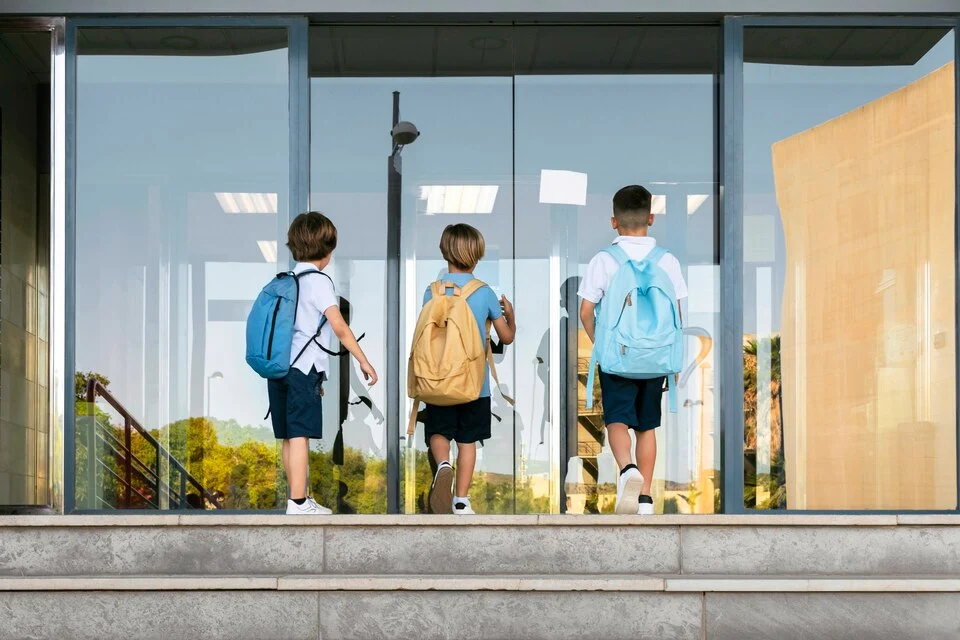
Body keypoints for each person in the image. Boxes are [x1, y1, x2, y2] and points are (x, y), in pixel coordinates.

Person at [578, 186, 688, 515]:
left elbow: (586, 310)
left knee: (617, 420)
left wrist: (602, 341)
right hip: (656, 358)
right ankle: (646, 498)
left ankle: (628, 470)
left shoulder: (604, 260)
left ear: (614, 222)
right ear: (651, 219)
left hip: (618, 358)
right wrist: (673, 358)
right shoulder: (667, 260)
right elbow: (679, 315)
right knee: (646, 426)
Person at [268, 211, 378, 515]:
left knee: (289, 436)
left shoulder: (287, 281)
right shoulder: (318, 282)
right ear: (327, 250)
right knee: (301, 433)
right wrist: (364, 361)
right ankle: (299, 502)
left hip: (279, 368)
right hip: (302, 370)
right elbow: (339, 326)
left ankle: (296, 498)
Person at [422, 224, 516, 515]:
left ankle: (443, 464)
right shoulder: (484, 292)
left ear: (444, 252)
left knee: (438, 432)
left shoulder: (432, 291)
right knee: (467, 441)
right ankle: (461, 499)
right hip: (475, 384)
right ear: (477, 256)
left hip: (438, 379)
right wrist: (510, 315)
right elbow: (507, 337)